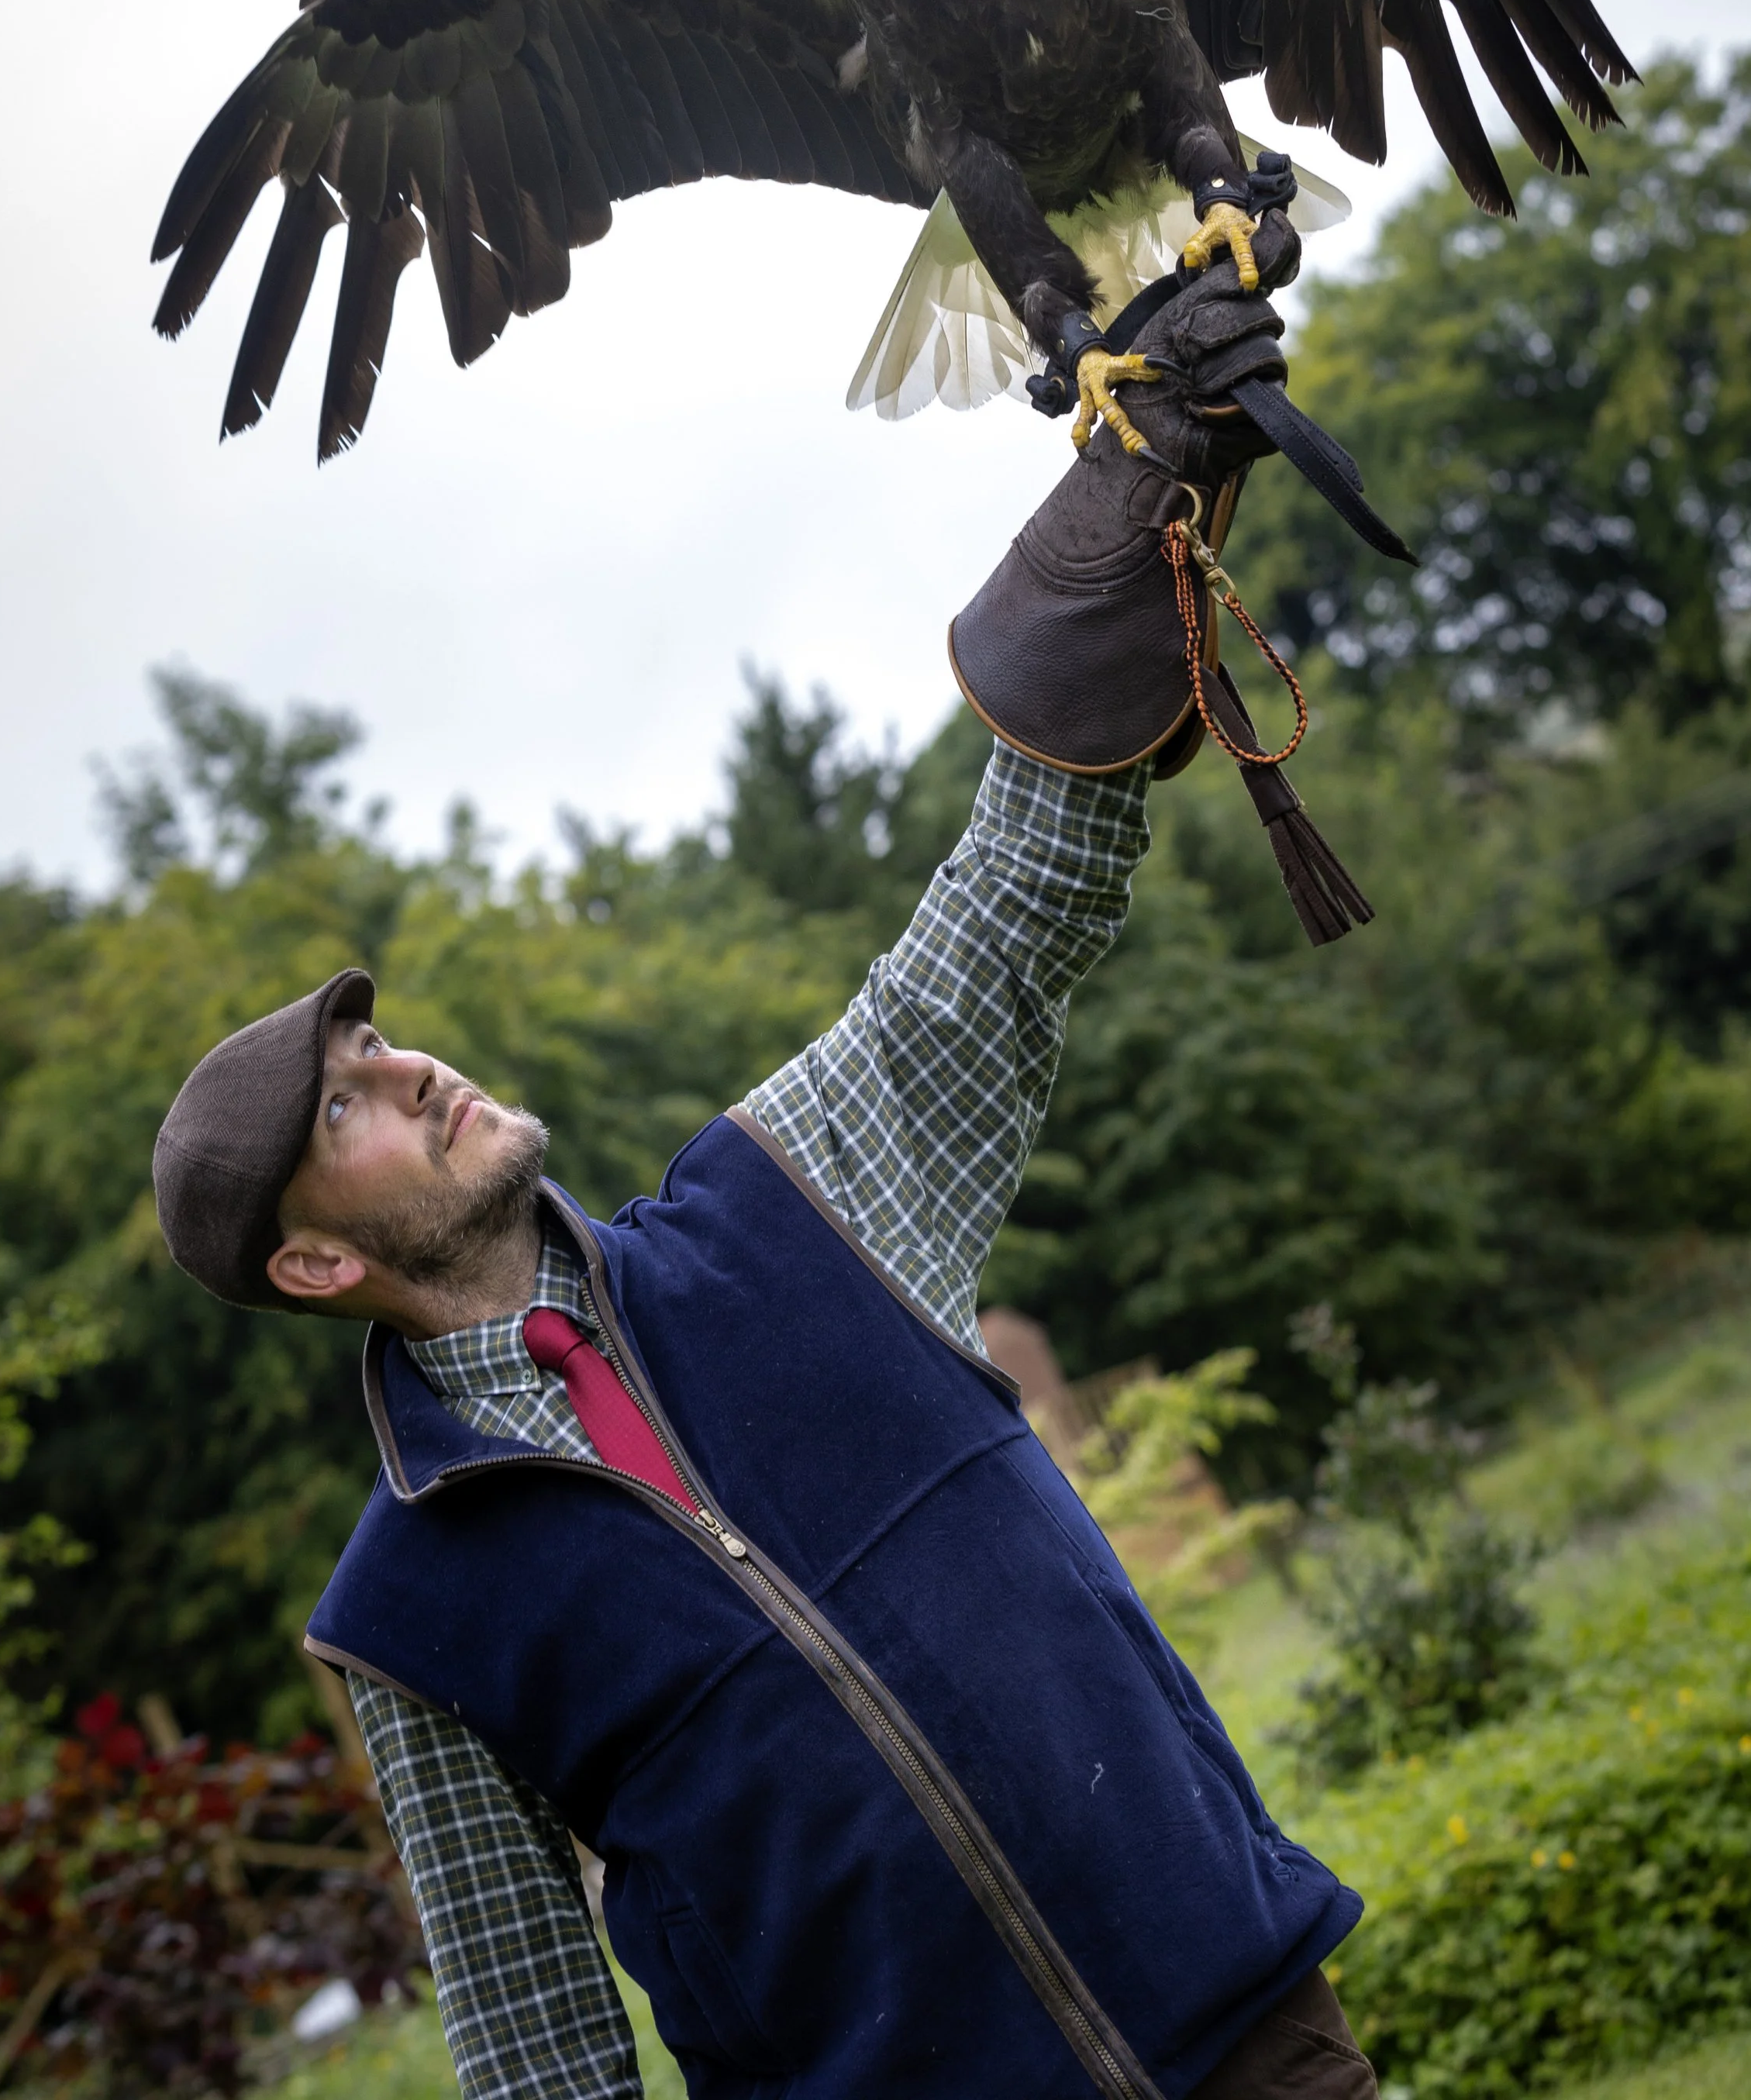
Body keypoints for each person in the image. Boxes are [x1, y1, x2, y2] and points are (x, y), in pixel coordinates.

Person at [153, 231, 1378, 2100]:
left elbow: (1008, 910)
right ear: (315, 1261)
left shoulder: (785, 1198)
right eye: (349, 1107)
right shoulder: (405, 1615)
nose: (410, 1065)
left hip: (1242, 2028)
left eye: (379, 1041)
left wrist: (1135, 497)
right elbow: (540, 2048)